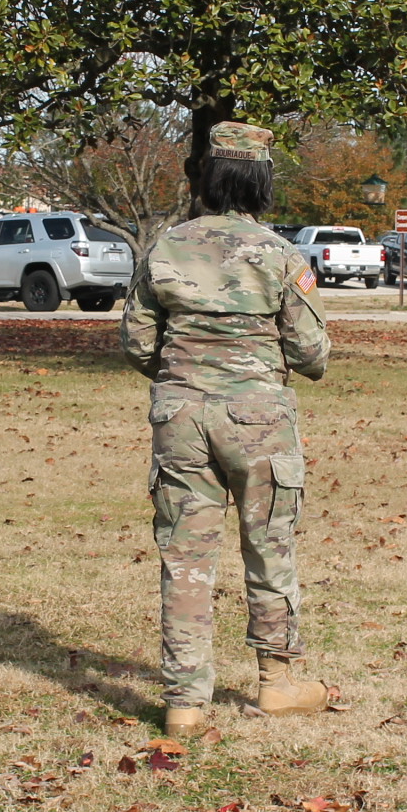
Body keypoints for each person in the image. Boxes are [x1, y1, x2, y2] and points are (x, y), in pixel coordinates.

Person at [120, 121, 332, 738]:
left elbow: (136, 342)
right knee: (269, 546)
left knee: (185, 556)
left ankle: (184, 702)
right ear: (261, 180)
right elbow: (312, 354)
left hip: (181, 416)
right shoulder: (280, 254)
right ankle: (277, 682)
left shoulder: (165, 248)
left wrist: (186, 378)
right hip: (258, 419)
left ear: (208, 177)